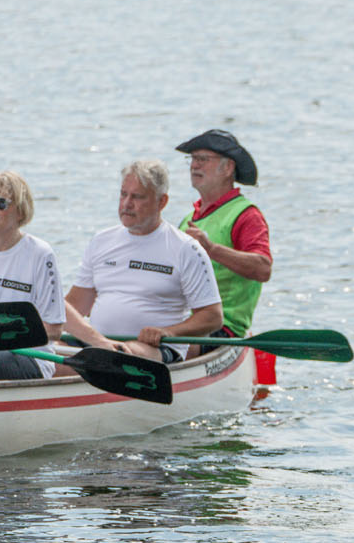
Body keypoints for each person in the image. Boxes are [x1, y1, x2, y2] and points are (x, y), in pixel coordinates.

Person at [64, 160, 223, 363]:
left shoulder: (186, 249)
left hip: (154, 348)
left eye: (137, 197)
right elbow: (75, 306)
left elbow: (213, 316)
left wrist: (168, 331)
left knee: (121, 354)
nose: (126, 204)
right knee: (46, 357)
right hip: (97, 342)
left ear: (162, 202)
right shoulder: (101, 241)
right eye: (123, 194)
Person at [176, 129, 274, 389]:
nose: (194, 165)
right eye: (192, 159)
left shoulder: (246, 215)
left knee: (154, 346)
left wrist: (211, 249)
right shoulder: (188, 220)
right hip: (181, 321)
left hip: (222, 327)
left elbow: (263, 268)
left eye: (202, 159)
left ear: (228, 168)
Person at [0, 171, 64, 381]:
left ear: (20, 210)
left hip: (33, 359)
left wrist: (4, 334)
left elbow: (54, 329)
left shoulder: (40, 254)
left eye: (0, 203)